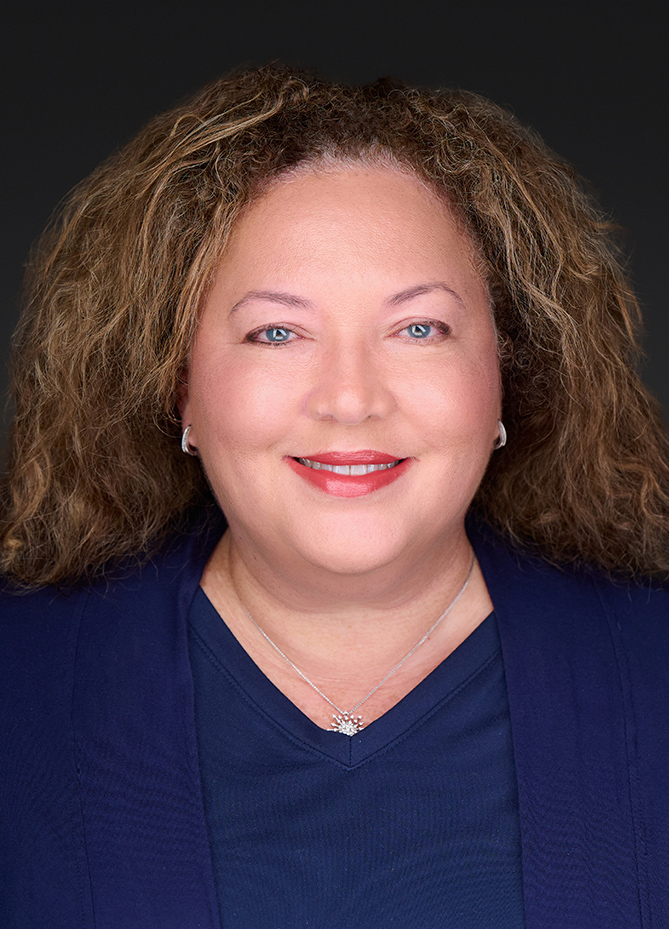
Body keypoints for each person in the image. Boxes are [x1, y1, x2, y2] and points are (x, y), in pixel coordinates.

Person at [1, 64, 668, 929]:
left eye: (418, 328)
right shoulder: (20, 683)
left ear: (508, 371)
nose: (350, 397)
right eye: (276, 331)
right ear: (179, 387)